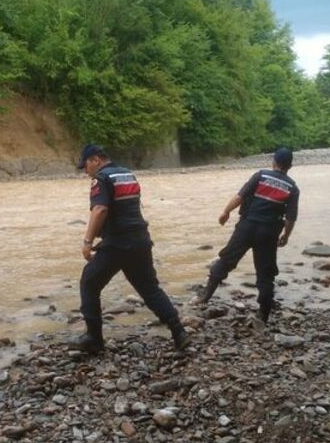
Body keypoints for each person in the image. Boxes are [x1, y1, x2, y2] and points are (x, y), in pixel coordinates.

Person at [69, 144, 189, 354]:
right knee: (150, 289)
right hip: (140, 240)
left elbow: (100, 209)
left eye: (86, 165)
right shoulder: (127, 174)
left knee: (89, 282)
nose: (85, 171)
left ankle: (94, 339)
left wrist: (87, 242)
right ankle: (179, 332)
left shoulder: (101, 178)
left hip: (117, 243)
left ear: (95, 159)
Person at [197, 147, 300, 323]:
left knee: (226, 260)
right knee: (266, 273)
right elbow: (291, 218)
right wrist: (286, 236)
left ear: (273, 162)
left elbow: (240, 197)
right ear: (290, 166)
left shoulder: (260, 176)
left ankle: (204, 298)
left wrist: (225, 212)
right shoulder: (293, 188)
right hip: (269, 233)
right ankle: (264, 314)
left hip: (246, 228)